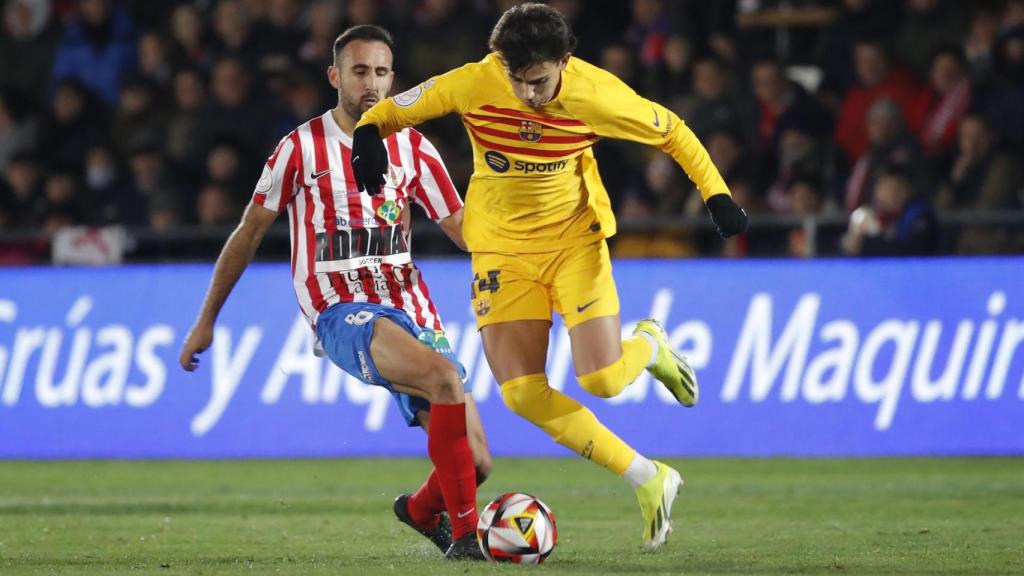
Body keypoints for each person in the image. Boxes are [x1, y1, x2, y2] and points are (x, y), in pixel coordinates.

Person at [349, 3, 746, 551]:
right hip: (501, 254)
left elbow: (673, 131)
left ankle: (649, 345)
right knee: (522, 394)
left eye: (538, 81)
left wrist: (717, 194)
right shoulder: (476, 80)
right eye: (517, 80)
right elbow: (396, 110)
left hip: (573, 243)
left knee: (603, 380)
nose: (528, 94)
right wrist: (368, 134)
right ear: (499, 63)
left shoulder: (597, 96)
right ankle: (648, 477)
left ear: (564, 60)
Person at [178, 25, 492, 561]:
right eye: (360, 71)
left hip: (412, 309)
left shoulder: (414, 147)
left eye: (382, 72)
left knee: (478, 463)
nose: (372, 84)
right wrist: (206, 319)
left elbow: (464, 230)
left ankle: (420, 511)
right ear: (335, 76)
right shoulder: (298, 148)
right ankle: (467, 543)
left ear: (394, 79)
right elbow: (248, 232)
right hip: (342, 311)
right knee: (443, 379)